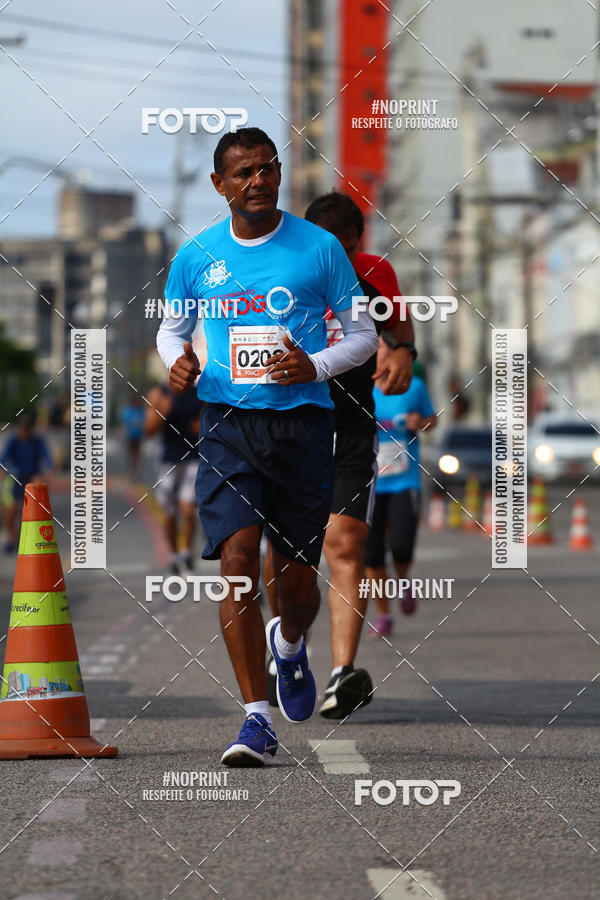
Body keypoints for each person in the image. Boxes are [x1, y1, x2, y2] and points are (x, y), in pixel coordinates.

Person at [156, 128, 378, 766]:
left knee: (296, 585)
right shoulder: (197, 255)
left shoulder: (319, 248)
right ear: (219, 184)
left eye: (267, 169)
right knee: (236, 560)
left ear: (279, 174)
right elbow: (172, 330)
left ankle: (290, 643)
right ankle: (256, 718)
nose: (258, 181)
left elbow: (363, 335)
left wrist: (315, 365)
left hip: (302, 425)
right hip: (227, 424)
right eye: (244, 172)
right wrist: (177, 362)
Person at [264, 191, 418, 719]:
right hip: (286, 425)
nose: (340, 262)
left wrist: (404, 352)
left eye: (348, 251)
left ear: (358, 244)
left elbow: (399, 324)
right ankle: (289, 648)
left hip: (350, 427)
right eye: (330, 250)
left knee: (346, 542)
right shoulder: (280, 273)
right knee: (286, 555)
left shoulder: (376, 273)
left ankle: (342, 673)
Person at [365, 374, 437, 635]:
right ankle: (384, 615)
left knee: (401, 547)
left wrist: (422, 423)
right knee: (372, 555)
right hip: (368, 483)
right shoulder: (358, 385)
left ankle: (403, 579)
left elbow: (432, 419)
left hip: (404, 481)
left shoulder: (414, 386)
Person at [144, 384, 203, 575]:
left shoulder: (200, 392)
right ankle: (174, 555)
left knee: (188, 509)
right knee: (169, 512)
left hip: (194, 457)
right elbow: (148, 430)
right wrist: (163, 411)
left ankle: (187, 552)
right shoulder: (159, 393)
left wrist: (203, 429)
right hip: (168, 460)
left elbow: (211, 424)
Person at [0, 414, 53, 553]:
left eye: (26, 430)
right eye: (21, 429)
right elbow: (3, 458)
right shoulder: (14, 440)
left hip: (32, 477)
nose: (23, 433)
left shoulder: (37, 441)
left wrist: (49, 470)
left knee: (29, 509)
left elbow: (46, 457)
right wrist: (2, 470)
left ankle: (24, 538)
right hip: (15, 476)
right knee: (10, 509)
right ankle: (10, 538)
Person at [120, 397, 145, 477]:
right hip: (130, 435)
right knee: (130, 451)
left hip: (138, 435)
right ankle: (130, 466)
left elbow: (145, 421)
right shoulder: (129, 410)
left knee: (137, 452)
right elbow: (125, 420)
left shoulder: (141, 411)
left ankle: (135, 468)